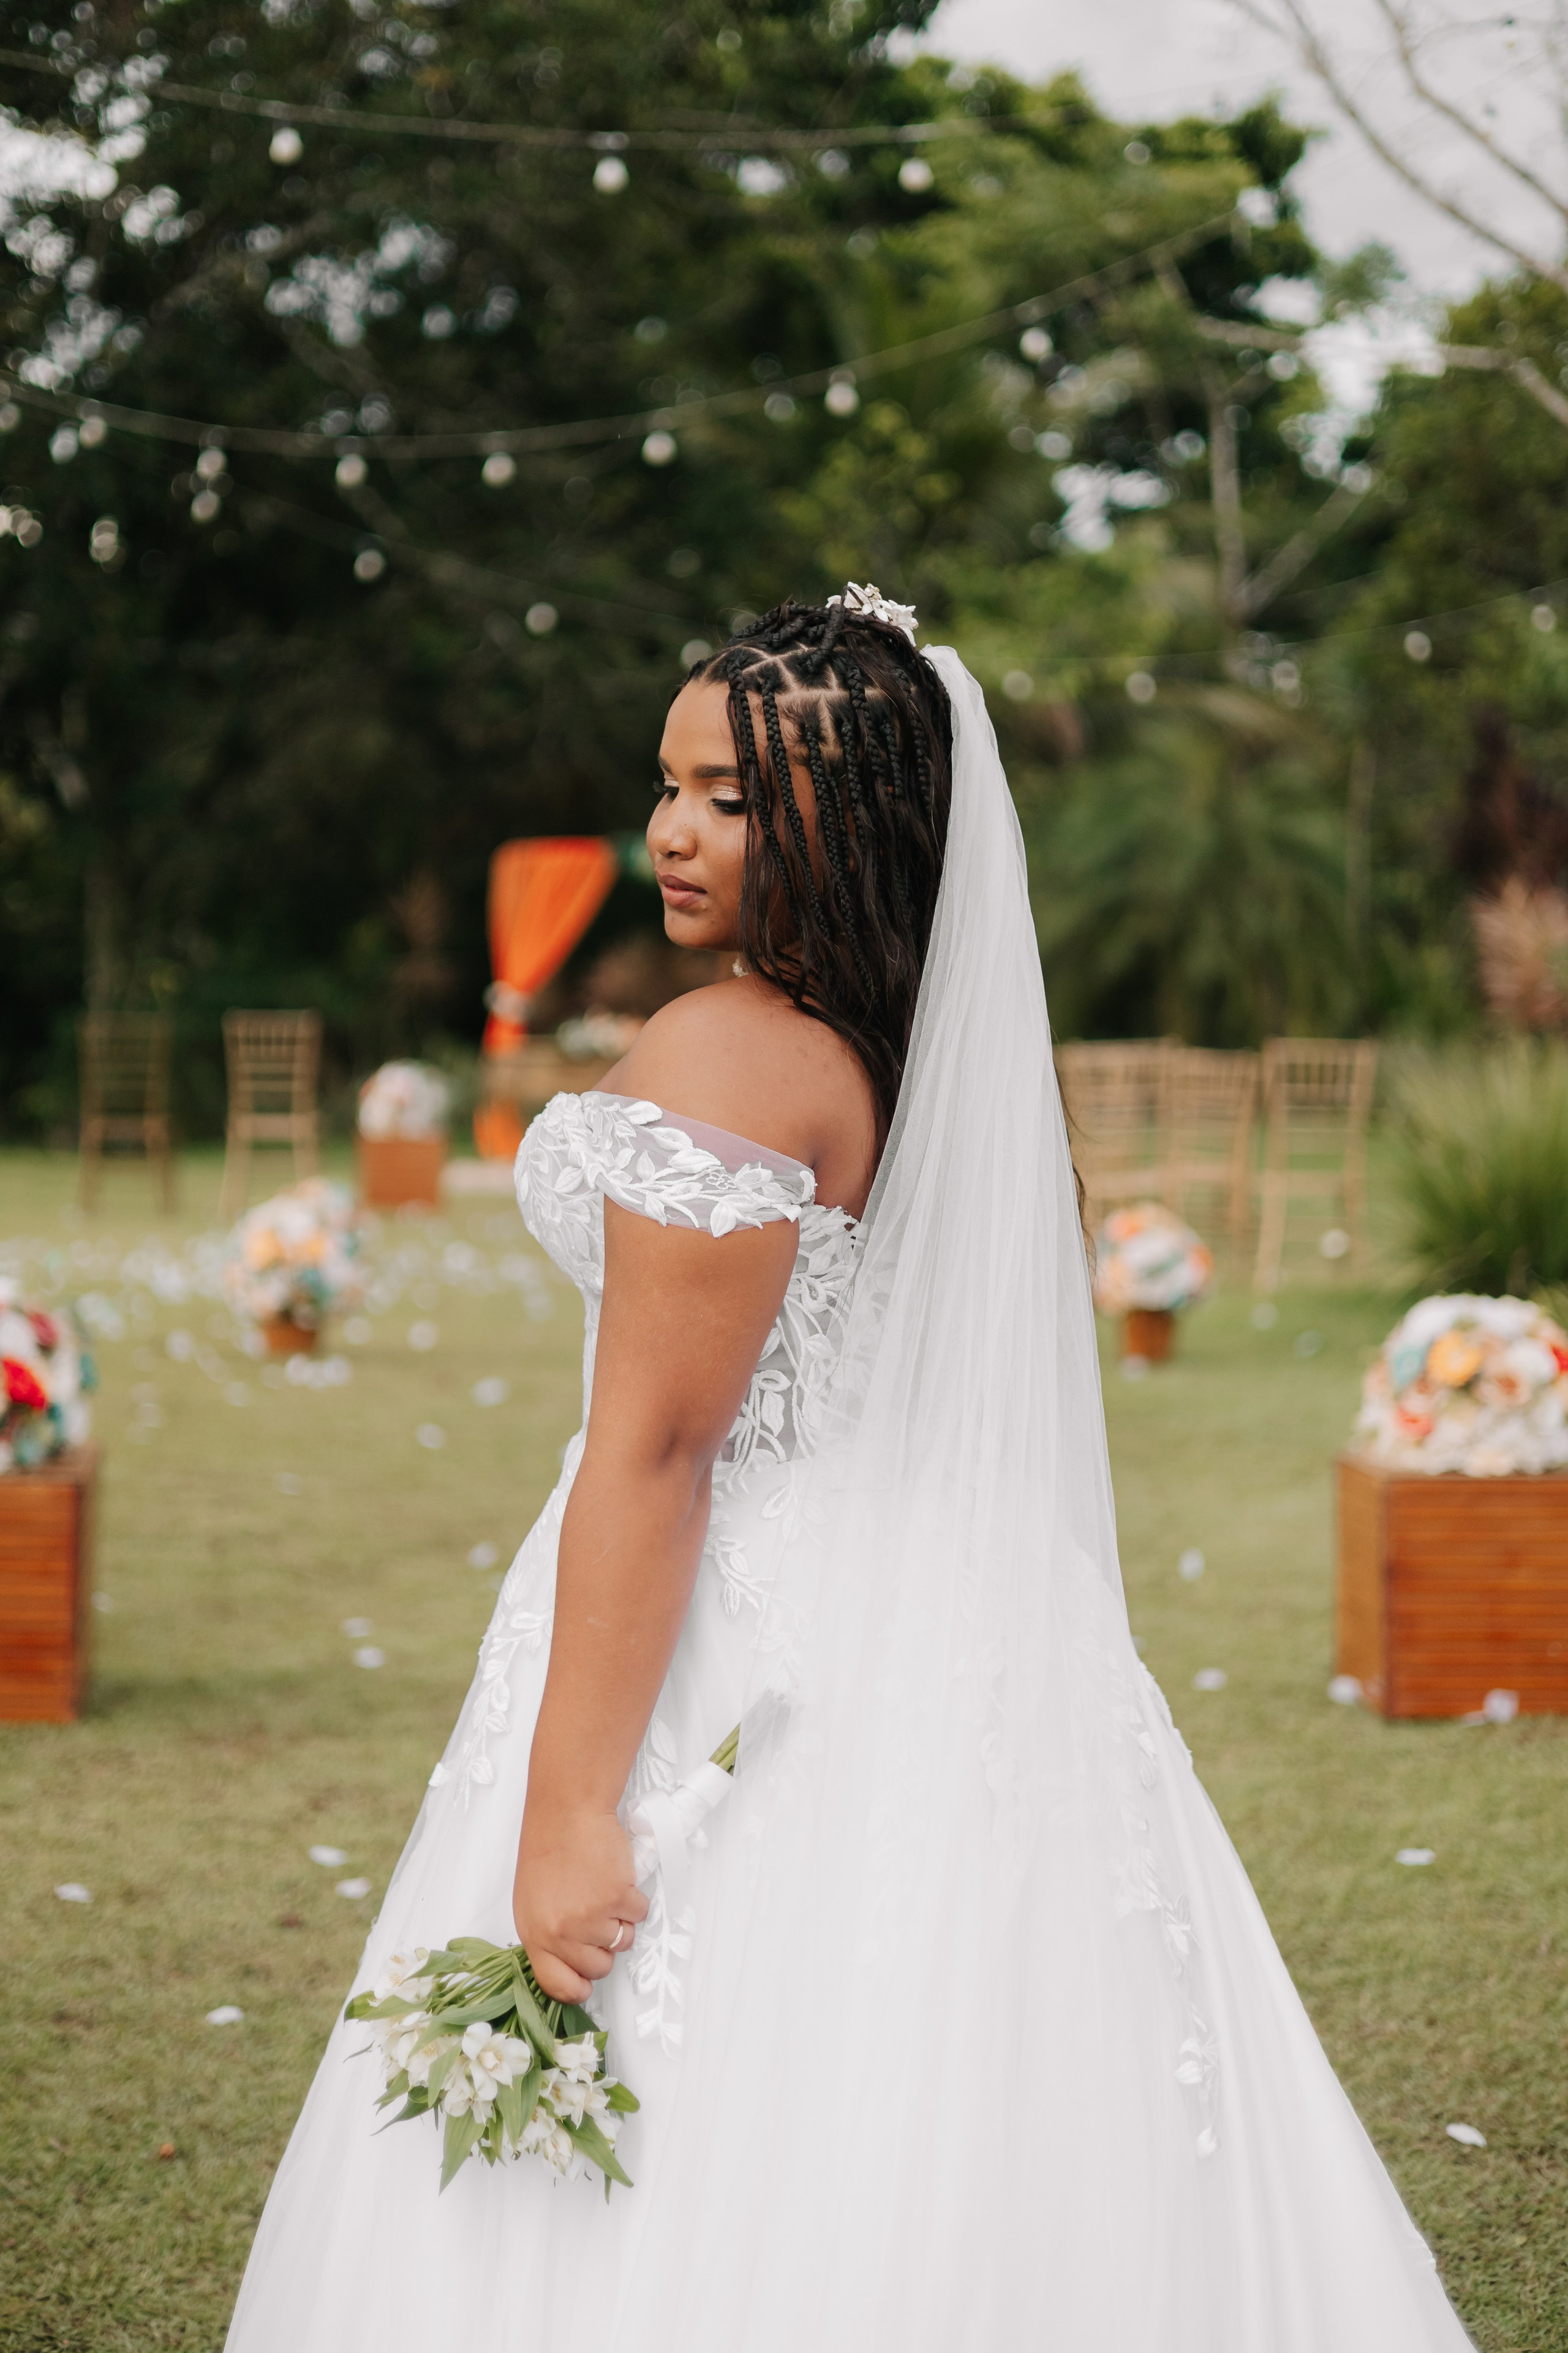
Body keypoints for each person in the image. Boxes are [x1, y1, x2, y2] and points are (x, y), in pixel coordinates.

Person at [225, 589, 1474, 2352]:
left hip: (747, 1627)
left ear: (856, 818)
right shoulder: (911, 1056)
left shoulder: (730, 1054)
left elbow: (662, 1450)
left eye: (730, 798)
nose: (670, 831)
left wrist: (572, 1811)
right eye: (668, 784)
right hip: (955, 1607)